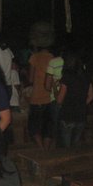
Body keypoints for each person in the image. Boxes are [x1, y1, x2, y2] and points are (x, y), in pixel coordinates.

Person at [56, 52, 93, 149]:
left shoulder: (67, 77)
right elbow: (91, 96)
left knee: (66, 147)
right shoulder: (86, 76)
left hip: (67, 115)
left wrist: (55, 89)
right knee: (75, 145)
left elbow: (59, 100)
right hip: (81, 114)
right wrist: (81, 104)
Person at [27, 21, 55, 149]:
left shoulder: (34, 57)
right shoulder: (53, 58)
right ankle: (46, 150)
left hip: (36, 98)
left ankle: (41, 148)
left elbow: (31, 79)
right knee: (48, 127)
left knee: (34, 127)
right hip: (49, 98)